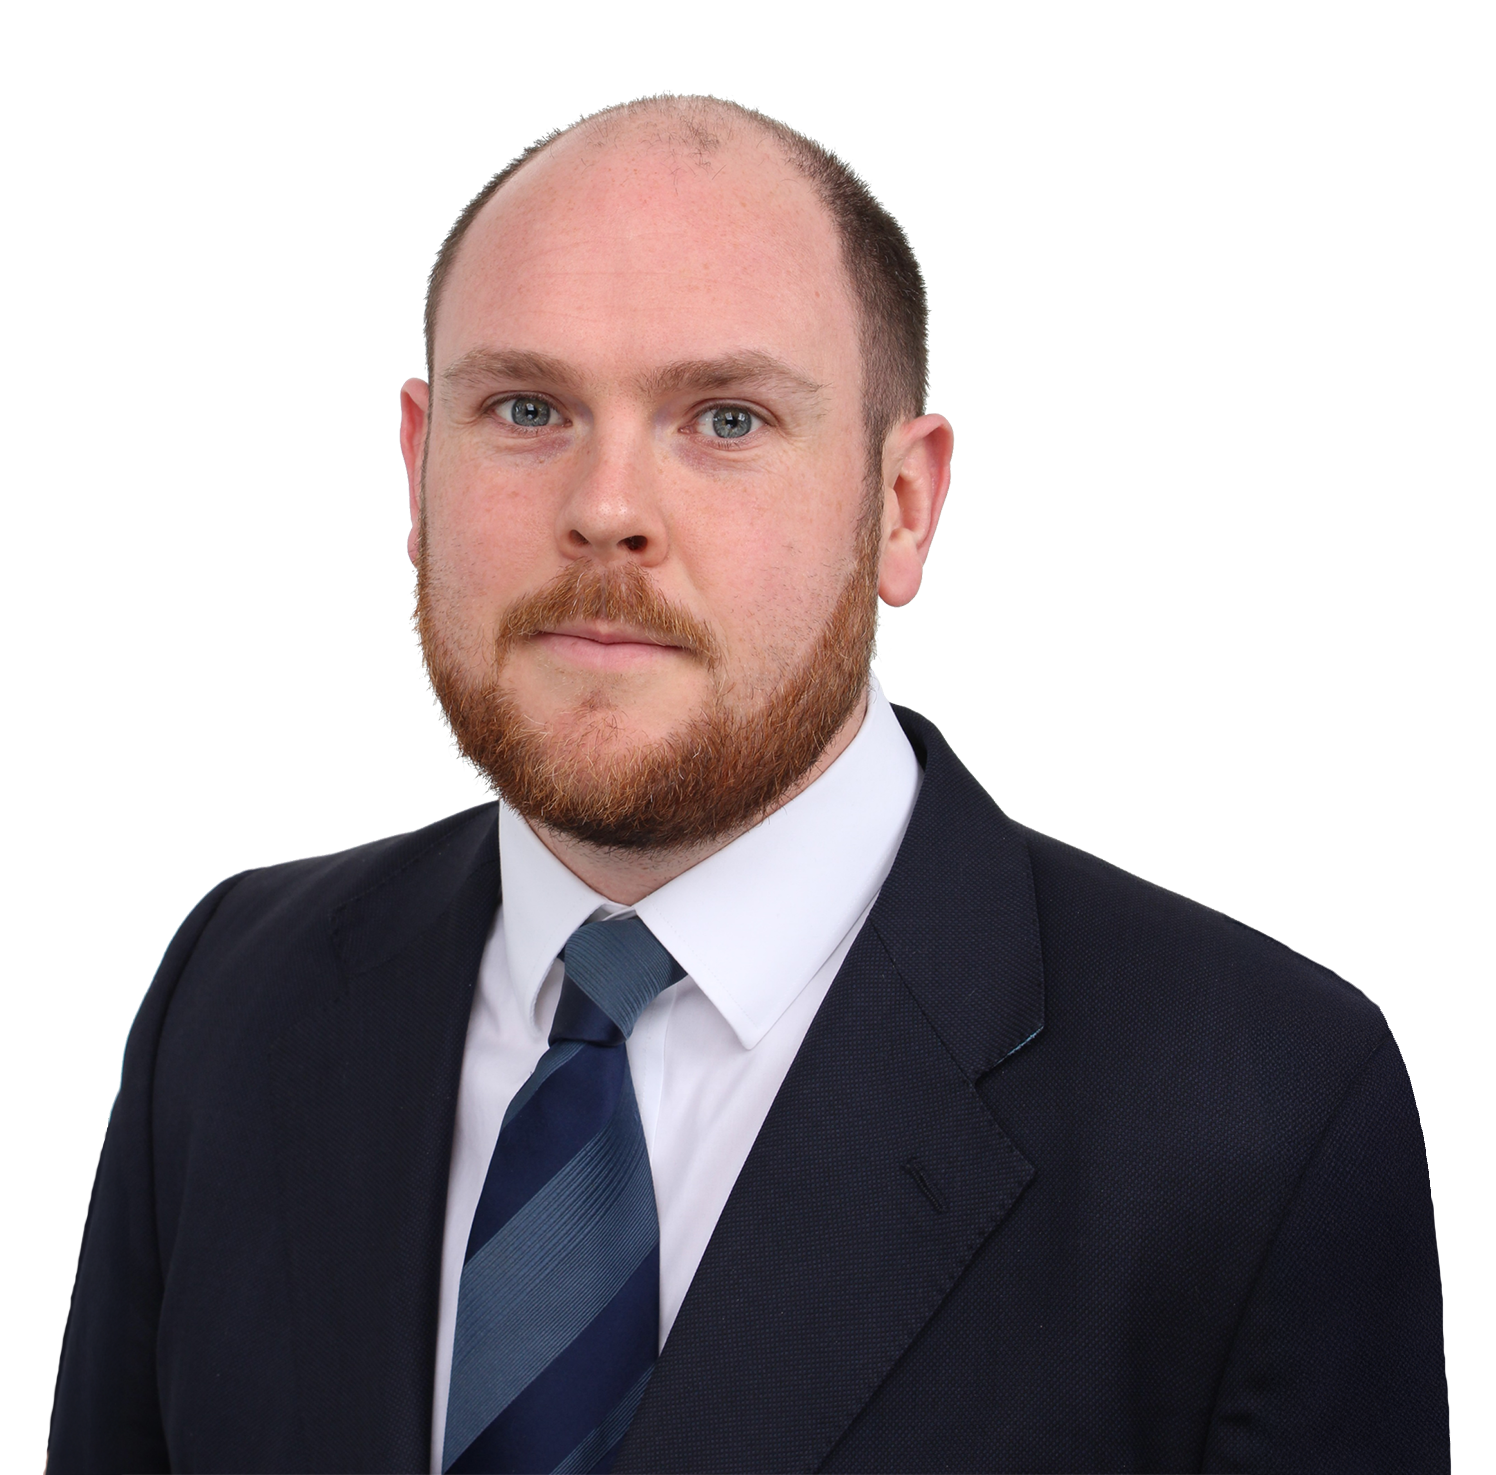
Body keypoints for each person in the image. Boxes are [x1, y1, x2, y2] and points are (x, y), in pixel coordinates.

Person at [49, 94, 1449, 1474]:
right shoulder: (233, 993)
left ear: (902, 507)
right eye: (527, 408)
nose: (606, 509)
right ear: (418, 465)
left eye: (726, 418)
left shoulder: (1264, 1104)